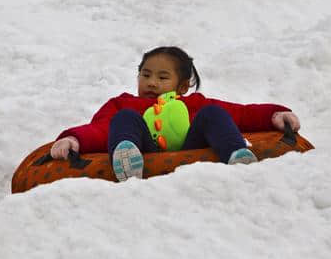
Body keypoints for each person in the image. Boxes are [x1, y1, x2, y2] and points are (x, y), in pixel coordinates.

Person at [50, 46, 301, 181]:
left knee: (213, 114)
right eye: (145, 75)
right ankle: (126, 160)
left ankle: (236, 155)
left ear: (182, 87)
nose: (151, 83)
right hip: (145, 149)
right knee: (125, 120)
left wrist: (274, 114)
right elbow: (100, 130)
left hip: (187, 145)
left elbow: (239, 114)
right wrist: (74, 139)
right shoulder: (124, 104)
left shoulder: (192, 103)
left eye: (162, 77)